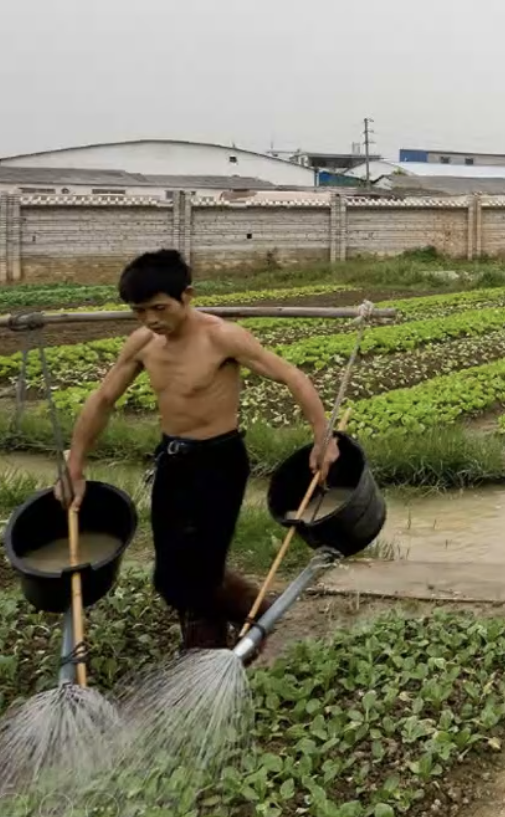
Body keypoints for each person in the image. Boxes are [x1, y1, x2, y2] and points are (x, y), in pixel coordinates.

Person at [56, 249, 339, 651]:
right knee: (169, 573)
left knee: (203, 565)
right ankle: (252, 609)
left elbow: (291, 376)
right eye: (139, 312)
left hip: (220, 461)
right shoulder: (142, 344)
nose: (151, 320)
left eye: (159, 308)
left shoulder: (222, 337)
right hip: (173, 458)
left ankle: (208, 645)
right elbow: (103, 399)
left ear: (186, 295)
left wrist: (322, 438)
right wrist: (76, 463)